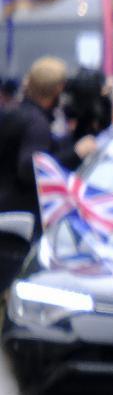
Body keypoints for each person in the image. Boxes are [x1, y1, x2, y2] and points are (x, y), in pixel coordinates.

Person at [0, 57, 69, 287]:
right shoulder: (37, 124)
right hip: (20, 227)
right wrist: (74, 153)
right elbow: (29, 168)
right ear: (57, 89)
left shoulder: (13, 114)